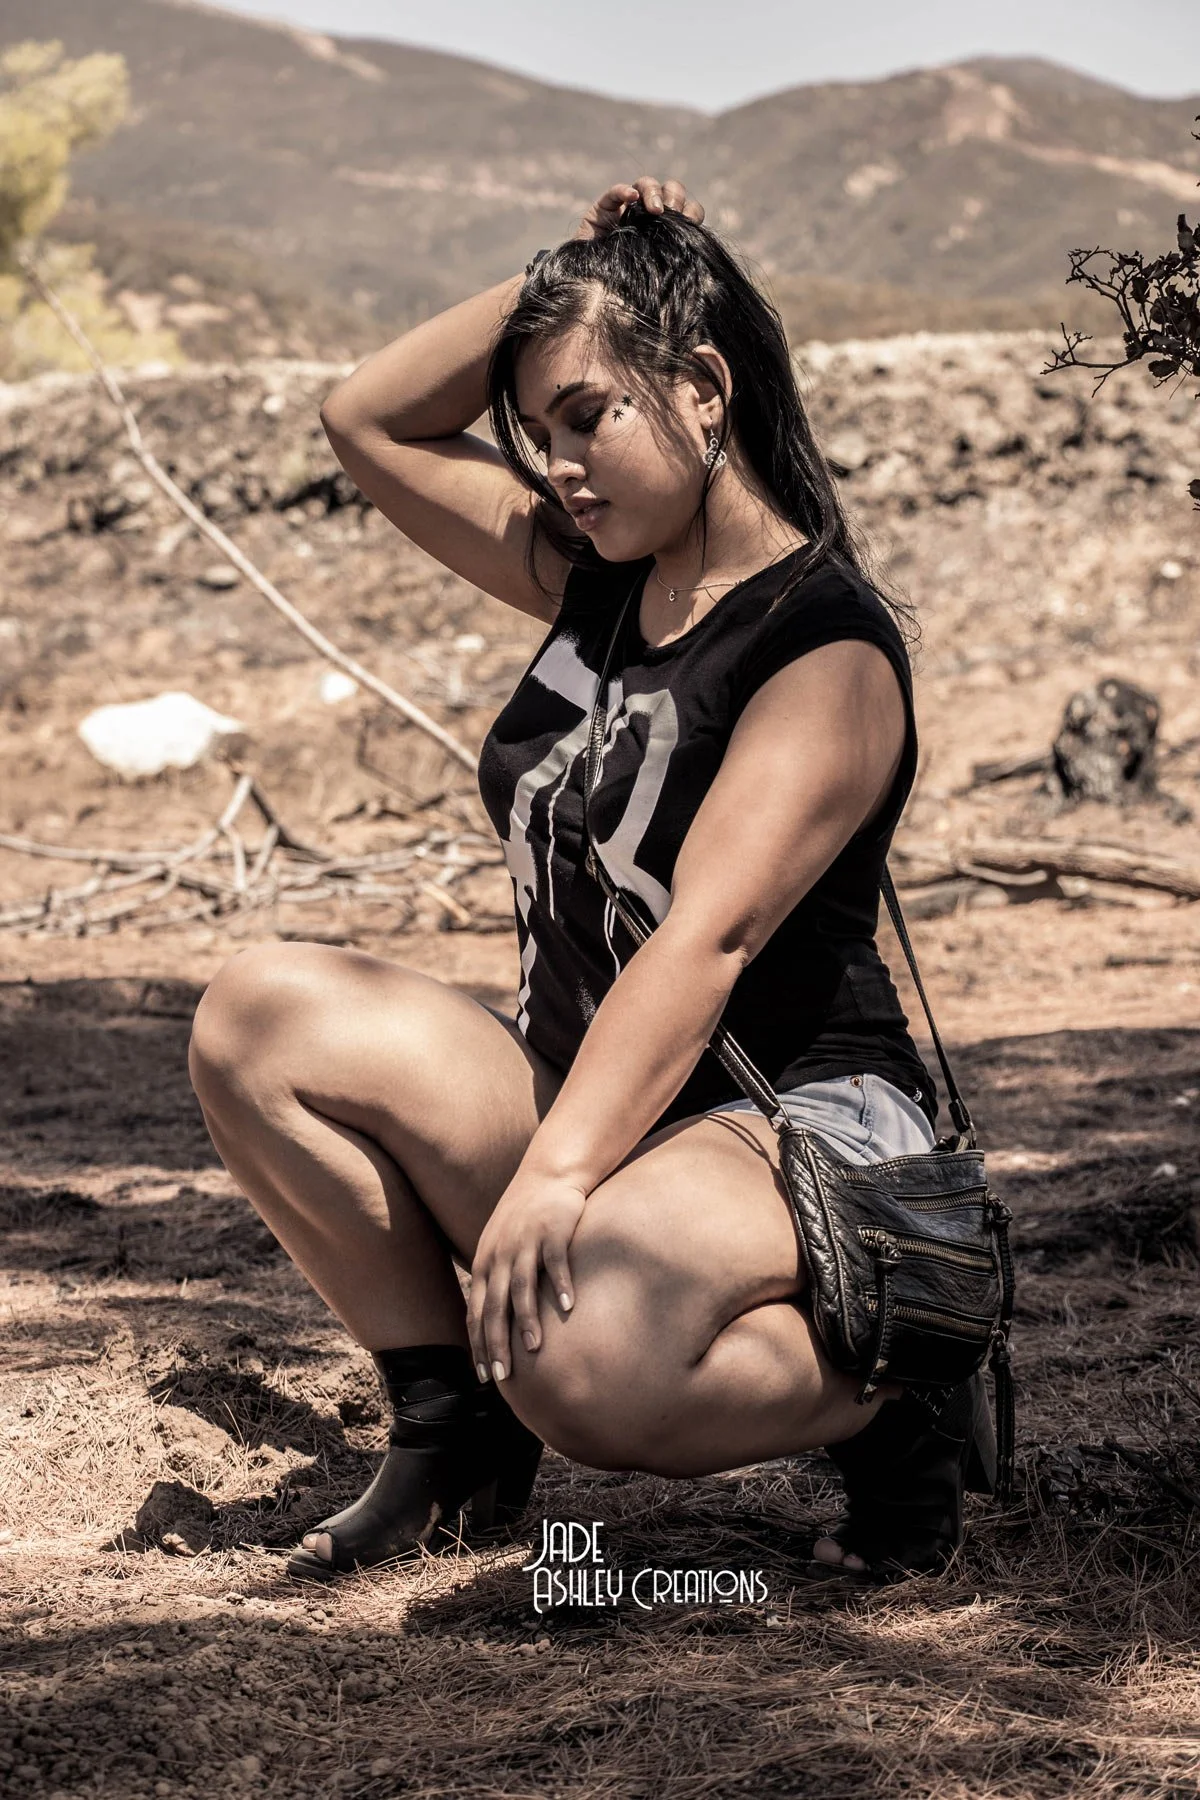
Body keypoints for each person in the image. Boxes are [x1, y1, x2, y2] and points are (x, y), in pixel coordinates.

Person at [188, 175, 997, 1586]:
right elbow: (367, 420)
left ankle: (903, 1386)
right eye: (539, 433)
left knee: (580, 1358)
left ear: (702, 388)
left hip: (786, 1113)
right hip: (596, 1081)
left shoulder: (822, 646)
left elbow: (707, 941)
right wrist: (571, 269)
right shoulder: (602, 577)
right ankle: (452, 1434)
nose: (559, 466)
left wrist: (556, 1177)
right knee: (258, 1019)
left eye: (587, 417)